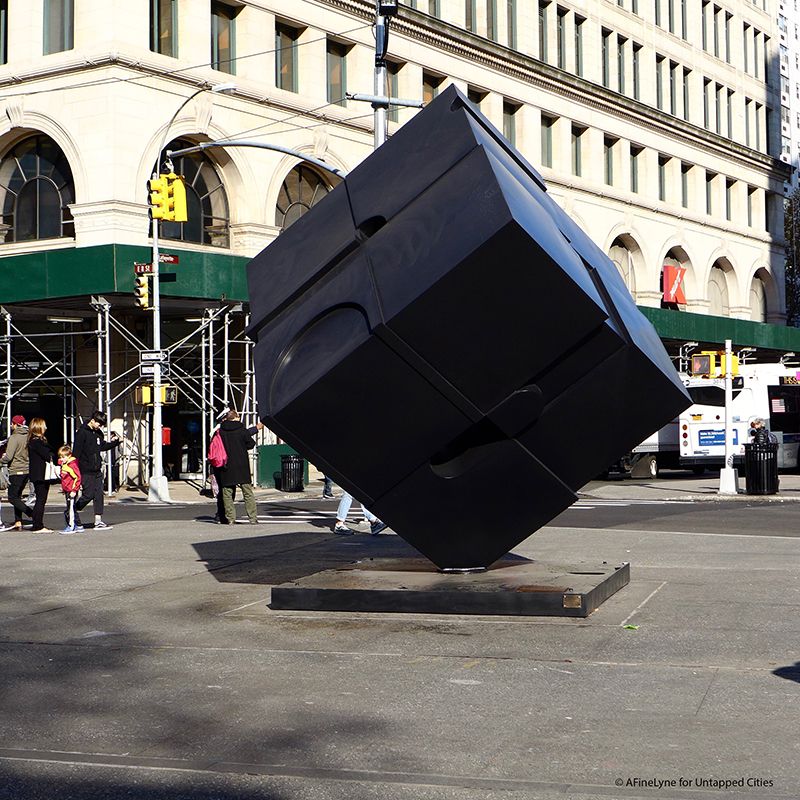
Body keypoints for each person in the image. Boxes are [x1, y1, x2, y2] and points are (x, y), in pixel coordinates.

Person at [73, 411, 121, 530]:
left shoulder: (98, 433)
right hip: (85, 469)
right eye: (99, 424)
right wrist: (75, 470)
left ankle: (98, 520)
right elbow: (76, 453)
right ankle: (73, 509)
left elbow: (102, 446)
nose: (100, 427)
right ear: (93, 420)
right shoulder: (82, 433)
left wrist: (116, 442)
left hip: (97, 469)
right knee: (88, 495)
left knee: (99, 494)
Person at [216, 410, 258, 525]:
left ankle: (230, 518)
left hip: (226, 464)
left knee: (227, 493)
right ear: (236, 417)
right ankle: (252, 518)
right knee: (247, 492)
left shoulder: (220, 431)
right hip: (241, 464)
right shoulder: (241, 430)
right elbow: (251, 444)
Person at [1, 415, 33, 531]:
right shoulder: (28, 436)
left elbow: (9, 456)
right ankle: (18, 521)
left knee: (12, 497)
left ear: (16, 424)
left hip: (16, 469)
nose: (10, 425)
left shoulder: (14, 438)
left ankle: (32, 513)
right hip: (26, 469)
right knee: (17, 496)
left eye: (12, 423)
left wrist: (1, 460)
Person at [27, 417, 57, 533]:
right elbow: (47, 454)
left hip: (38, 473)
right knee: (41, 500)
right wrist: (52, 454)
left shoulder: (34, 441)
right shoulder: (37, 442)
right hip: (41, 474)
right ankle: (38, 525)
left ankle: (37, 523)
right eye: (43, 426)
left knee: (40, 499)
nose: (45, 428)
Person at [58, 444, 84, 534]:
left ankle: (71, 525)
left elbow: (77, 477)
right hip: (67, 489)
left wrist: (74, 490)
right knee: (71, 507)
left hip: (71, 490)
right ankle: (78, 525)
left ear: (69, 456)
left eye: (63, 457)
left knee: (70, 509)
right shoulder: (64, 464)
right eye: (60, 457)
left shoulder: (71, 465)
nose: (61, 459)